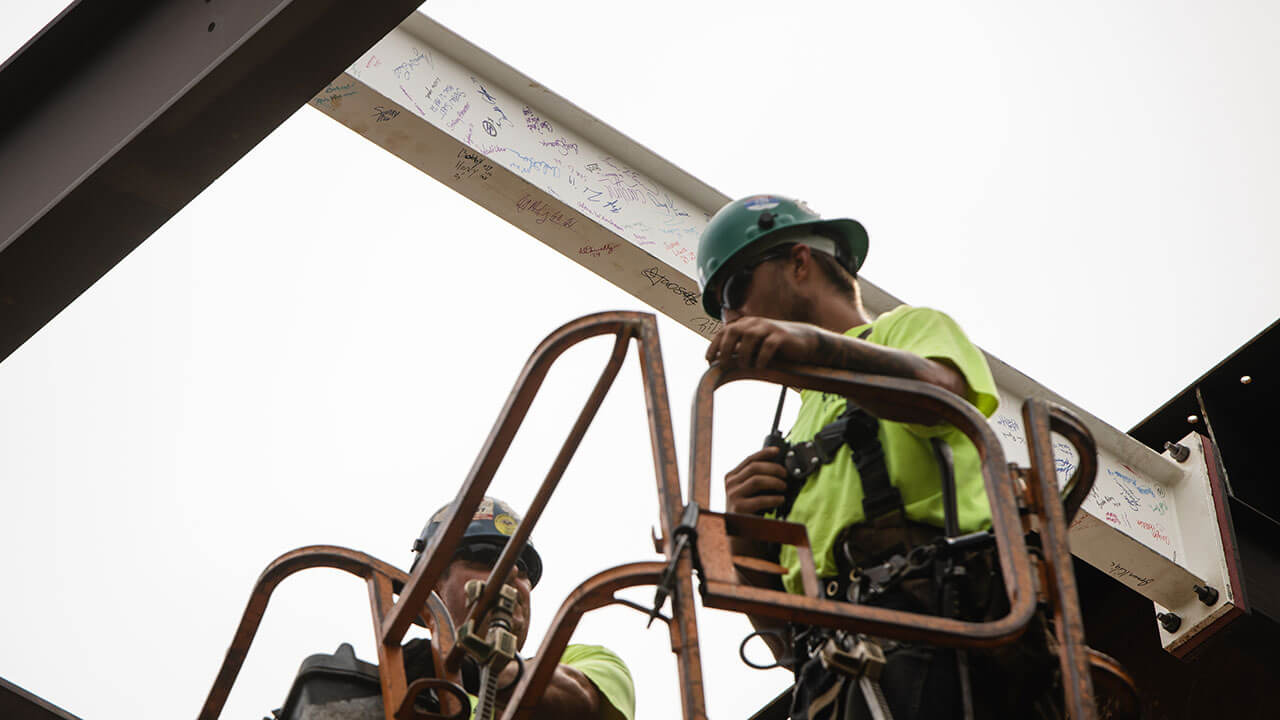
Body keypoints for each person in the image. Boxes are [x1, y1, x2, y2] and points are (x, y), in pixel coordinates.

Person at [697, 195, 1057, 719]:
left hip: (940, 634)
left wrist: (814, 346)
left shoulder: (906, 330)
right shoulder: (793, 433)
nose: (730, 318)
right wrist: (744, 540)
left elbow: (942, 393)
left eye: (734, 291)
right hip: (838, 678)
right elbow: (780, 642)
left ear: (800, 263)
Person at [402, 497, 635, 720]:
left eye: (522, 564)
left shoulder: (588, 661)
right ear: (433, 588)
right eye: (485, 556)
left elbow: (580, 702)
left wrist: (467, 671)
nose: (513, 570)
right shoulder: (398, 692)